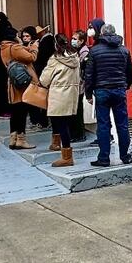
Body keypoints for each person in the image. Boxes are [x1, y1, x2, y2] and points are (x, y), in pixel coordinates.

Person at [85, 22, 132, 167]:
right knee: (123, 125)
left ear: (101, 33)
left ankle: (104, 158)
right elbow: (130, 72)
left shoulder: (95, 51)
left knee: (103, 125)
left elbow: (89, 74)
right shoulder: (124, 50)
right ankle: (126, 156)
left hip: (102, 91)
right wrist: (126, 85)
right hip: (119, 90)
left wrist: (88, 93)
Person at [41, 34, 82, 166]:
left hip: (58, 94)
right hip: (71, 94)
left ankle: (66, 157)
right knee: (64, 123)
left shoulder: (55, 59)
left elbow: (44, 79)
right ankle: (58, 145)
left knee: (61, 124)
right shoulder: (75, 57)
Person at [1, 29, 39, 149]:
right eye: (17, 35)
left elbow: (20, 53)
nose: (19, 37)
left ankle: (13, 138)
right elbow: (31, 58)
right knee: (22, 111)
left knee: (15, 112)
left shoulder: (4, 48)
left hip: (13, 83)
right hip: (22, 84)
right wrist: (34, 48)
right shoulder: (15, 48)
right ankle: (21, 140)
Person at [69, 29, 91, 142]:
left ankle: (79, 134)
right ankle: (76, 133)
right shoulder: (76, 50)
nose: (72, 40)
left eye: (75, 39)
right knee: (75, 110)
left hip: (80, 85)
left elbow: (83, 71)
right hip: (76, 85)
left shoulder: (84, 53)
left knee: (78, 110)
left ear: (82, 40)